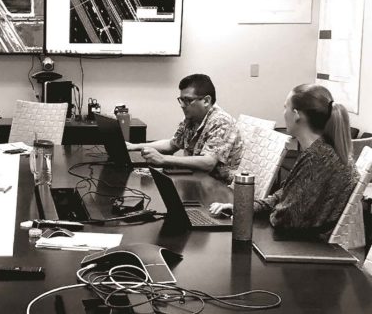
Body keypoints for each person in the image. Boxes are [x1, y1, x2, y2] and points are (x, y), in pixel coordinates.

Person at [210, 84, 359, 241]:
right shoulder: (320, 150)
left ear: (296, 115)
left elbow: (284, 219)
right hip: (305, 242)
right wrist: (245, 209)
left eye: (285, 107)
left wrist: (270, 212)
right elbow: (284, 194)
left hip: (308, 249)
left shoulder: (317, 158)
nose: (283, 113)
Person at [127, 74, 242, 184]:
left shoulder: (221, 122)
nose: (182, 105)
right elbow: (171, 145)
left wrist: (163, 159)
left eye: (187, 100)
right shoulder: (191, 118)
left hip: (216, 188)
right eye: (181, 100)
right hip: (194, 179)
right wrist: (134, 146)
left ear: (206, 101)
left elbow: (208, 162)